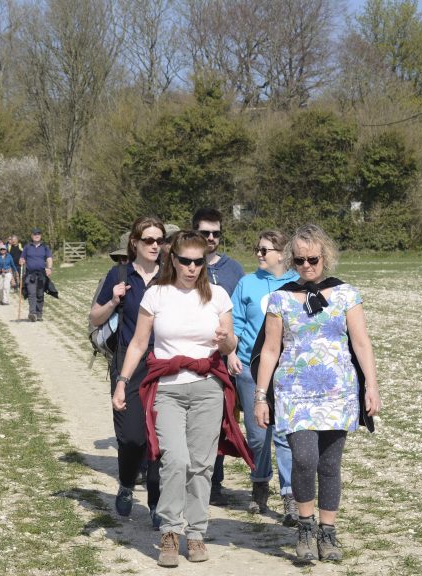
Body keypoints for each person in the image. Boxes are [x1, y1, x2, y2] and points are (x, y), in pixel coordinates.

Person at [115, 230, 252, 567]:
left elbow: (229, 343)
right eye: (186, 261)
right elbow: (137, 343)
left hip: (207, 388)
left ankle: (196, 533)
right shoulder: (156, 295)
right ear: (172, 260)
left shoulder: (218, 296)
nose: (192, 267)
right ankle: (169, 531)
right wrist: (122, 381)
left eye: (198, 261)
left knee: (202, 465)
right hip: (168, 389)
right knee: (174, 460)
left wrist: (226, 342)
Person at [254, 224, 381, 563]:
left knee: (329, 463)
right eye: (299, 260)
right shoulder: (280, 298)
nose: (307, 266)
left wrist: (372, 385)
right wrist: (259, 396)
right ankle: (305, 527)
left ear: (325, 257)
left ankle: (328, 532)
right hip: (294, 392)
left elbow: (361, 343)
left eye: (312, 259)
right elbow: (269, 350)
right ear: (291, 261)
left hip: (338, 391)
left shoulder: (345, 294)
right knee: (305, 458)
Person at [90, 217, 165, 529]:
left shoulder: (170, 275)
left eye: (159, 240)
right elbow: (95, 317)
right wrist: (113, 300)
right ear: (134, 243)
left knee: (158, 438)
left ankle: (157, 503)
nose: (154, 246)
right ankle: (125, 483)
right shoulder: (118, 274)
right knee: (132, 437)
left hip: (163, 362)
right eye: (148, 240)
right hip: (127, 363)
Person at [226, 230, 300, 522]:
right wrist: (231, 353)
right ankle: (259, 482)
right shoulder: (247, 284)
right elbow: (235, 323)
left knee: (284, 434)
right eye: (258, 248)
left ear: (281, 254)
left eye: (265, 250)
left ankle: (290, 495)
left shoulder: (296, 284)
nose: (259, 254)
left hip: (286, 372)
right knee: (258, 436)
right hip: (248, 368)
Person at [191, 207, 245, 507]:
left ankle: (215, 482)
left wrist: (235, 349)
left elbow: (241, 316)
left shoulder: (233, 269)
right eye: (205, 233)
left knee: (221, 420)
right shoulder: (182, 267)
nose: (211, 238)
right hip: (190, 358)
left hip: (223, 358)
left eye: (216, 233)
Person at [19, 228, 53, 322]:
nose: (36, 236)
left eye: (38, 234)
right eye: (34, 234)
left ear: (40, 236)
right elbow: (22, 258)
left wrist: (49, 268)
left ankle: (39, 313)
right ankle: (32, 313)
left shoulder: (45, 247)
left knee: (40, 294)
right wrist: (22, 260)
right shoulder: (27, 247)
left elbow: (49, 258)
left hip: (41, 274)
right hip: (30, 275)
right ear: (32, 236)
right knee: (31, 293)